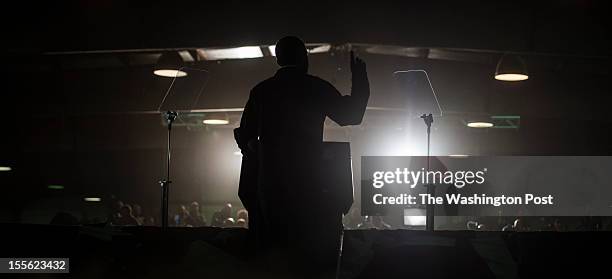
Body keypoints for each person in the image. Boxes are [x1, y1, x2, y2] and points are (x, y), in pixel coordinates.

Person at [234, 35, 369, 278]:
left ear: (278, 59)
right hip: (309, 188)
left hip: (269, 190)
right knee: (305, 260)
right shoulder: (315, 87)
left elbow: (244, 137)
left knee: (274, 259)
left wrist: (259, 152)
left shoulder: (261, 92)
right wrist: (360, 81)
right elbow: (351, 116)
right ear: (304, 58)